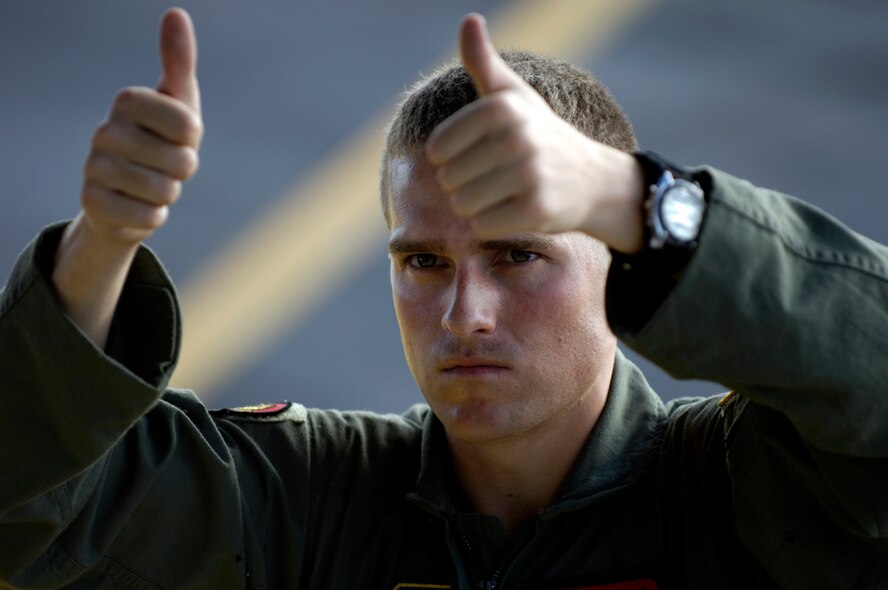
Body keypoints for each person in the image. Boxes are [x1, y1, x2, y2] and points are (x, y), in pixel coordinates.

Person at [1, 7, 886, 589]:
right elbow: (29, 512)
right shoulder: (308, 502)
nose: (467, 314)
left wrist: (634, 200)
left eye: (518, 255)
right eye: (423, 262)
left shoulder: (744, 490)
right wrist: (99, 247)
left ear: (617, 265)